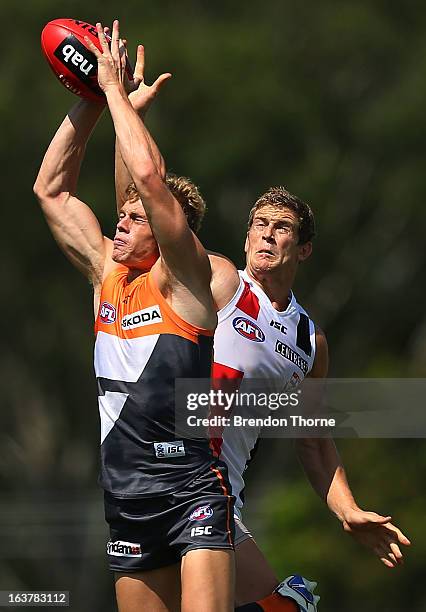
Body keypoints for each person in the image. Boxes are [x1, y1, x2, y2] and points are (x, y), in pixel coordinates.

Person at [112, 37, 410, 612]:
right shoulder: (220, 281)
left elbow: (314, 441)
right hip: (178, 478)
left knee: (283, 605)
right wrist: (127, 109)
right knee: (289, 605)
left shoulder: (308, 340)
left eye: (281, 228)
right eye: (258, 224)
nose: (266, 235)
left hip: (221, 494)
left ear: (304, 251)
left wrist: (348, 511)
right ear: (246, 235)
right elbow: (140, 204)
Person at [34, 20, 235, 612]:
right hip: (125, 498)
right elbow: (50, 192)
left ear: (170, 233)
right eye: (119, 216)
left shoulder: (190, 283)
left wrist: (117, 90)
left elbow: (147, 178)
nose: (119, 222)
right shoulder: (106, 276)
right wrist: (91, 100)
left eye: (136, 217)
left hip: (191, 490)